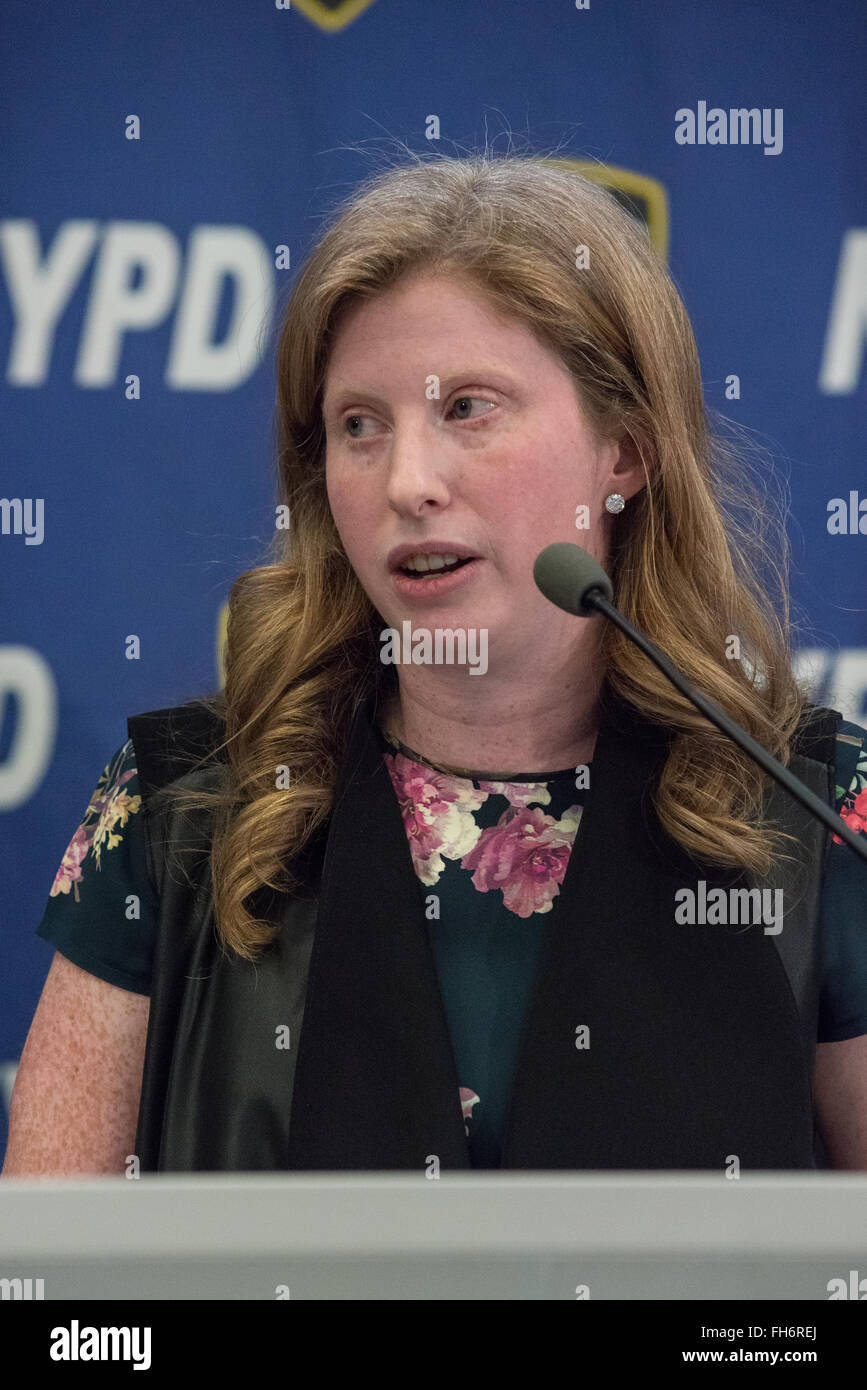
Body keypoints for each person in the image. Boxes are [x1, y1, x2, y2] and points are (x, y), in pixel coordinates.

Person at [4, 153, 867, 1177]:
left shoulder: (812, 807)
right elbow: (51, 1290)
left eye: (468, 407)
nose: (407, 481)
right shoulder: (179, 806)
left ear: (625, 451)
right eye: (359, 424)